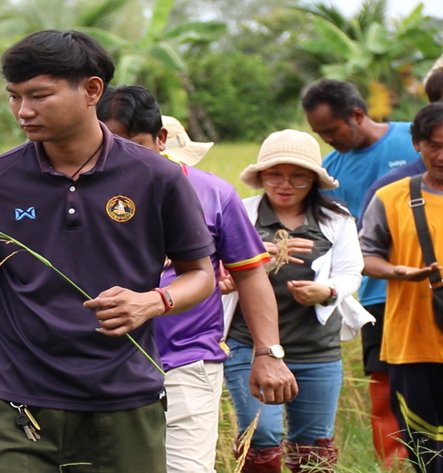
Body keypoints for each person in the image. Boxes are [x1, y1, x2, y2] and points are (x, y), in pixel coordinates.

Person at [0, 30, 217, 472]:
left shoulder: (156, 177)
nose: (23, 111)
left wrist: (152, 302)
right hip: (12, 399)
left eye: (40, 95)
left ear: (91, 90)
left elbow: (201, 274)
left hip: (123, 397)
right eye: (14, 96)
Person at [97, 85, 297, 473]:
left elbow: (251, 275)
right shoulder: (74, 194)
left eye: (135, 145)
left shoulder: (212, 194)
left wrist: (268, 353)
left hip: (186, 363)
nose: (120, 157)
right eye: (108, 144)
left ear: (160, 140)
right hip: (100, 365)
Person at [225, 129, 364, 473]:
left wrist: (327, 291)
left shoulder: (336, 220)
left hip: (316, 348)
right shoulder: (241, 216)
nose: (284, 185)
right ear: (261, 177)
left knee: (313, 443)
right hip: (249, 345)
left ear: (314, 180)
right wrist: (258, 261)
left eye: (298, 177)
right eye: (274, 175)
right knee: (262, 434)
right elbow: (220, 275)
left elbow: (351, 272)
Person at [302, 79, 421, 465]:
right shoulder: (329, 172)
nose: (328, 140)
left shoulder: (414, 141)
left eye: (331, 131)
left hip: (431, 287)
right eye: (319, 134)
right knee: (385, 386)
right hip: (377, 294)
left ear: (356, 115)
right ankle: (392, 463)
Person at [360, 102, 443, 473]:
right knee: (426, 450)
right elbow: (364, 257)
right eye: (434, 145)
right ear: (416, 145)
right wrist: (397, 271)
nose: (442, 155)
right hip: (412, 341)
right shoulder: (390, 197)